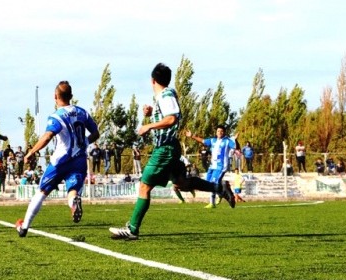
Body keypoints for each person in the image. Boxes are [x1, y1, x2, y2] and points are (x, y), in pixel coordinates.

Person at [109, 63, 231, 240]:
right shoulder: (166, 95)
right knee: (181, 183)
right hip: (169, 147)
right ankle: (219, 188)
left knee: (144, 186)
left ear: (152, 80)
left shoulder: (165, 95)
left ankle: (132, 229)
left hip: (165, 148)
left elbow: (172, 118)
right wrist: (152, 114)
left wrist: (148, 125)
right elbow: (168, 116)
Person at [16, 81, 100, 237]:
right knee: (73, 190)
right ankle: (74, 202)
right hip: (80, 160)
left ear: (55, 97)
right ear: (71, 96)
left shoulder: (56, 116)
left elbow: (48, 136)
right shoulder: (83, 113)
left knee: (41, 192)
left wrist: (31, 152)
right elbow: (96, 133)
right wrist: (85, 142)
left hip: (60, 161)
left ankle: (24, 227)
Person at [184, 125, 236, 209]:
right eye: (218, 131)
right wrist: (192, 136)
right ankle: (223, 187)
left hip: (221, 166)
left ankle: (213, 202)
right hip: (212, 166)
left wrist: (235, 141)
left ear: (224, 132)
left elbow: (235, 146)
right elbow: (203, 141)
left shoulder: (227, 141)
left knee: (213, 183)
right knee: (208, 184)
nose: (219, 132)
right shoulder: (213, 140)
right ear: (216, 132)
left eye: (221, 131)